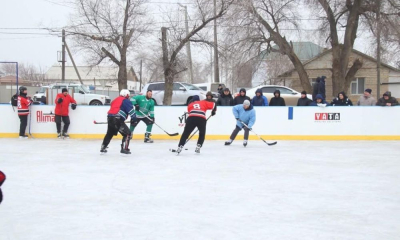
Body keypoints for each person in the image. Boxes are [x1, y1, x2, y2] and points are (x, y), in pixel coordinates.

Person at [101, 89, 136, 154]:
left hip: (109, 118)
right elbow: (131, 111)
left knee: (109, 133)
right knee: (127, 133)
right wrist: (134, 119)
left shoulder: (115, 100)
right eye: (128, 95)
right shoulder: (126, 101)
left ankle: (103, 147)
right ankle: (124, 149)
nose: (129, 97)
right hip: (117, 119)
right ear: (126, 95)